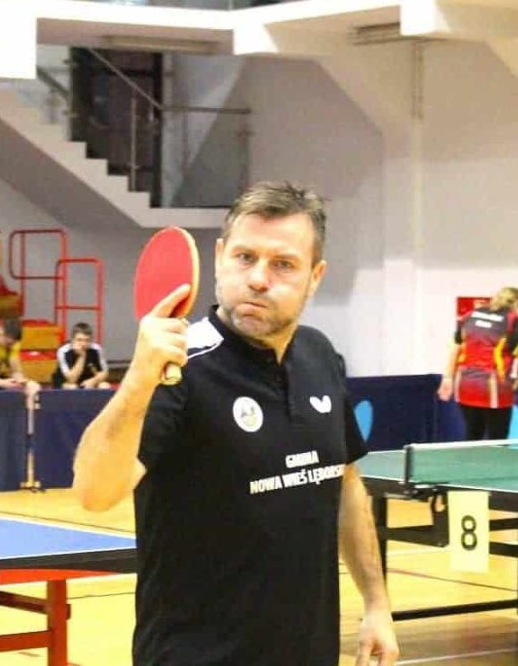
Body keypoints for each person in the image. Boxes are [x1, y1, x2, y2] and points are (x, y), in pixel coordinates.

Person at [73, 182, 399, 666]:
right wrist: (137, 381)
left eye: (283, 264)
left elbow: (345, 482)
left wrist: (376, 603)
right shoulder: (178, 368)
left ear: (315, 276)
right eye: (245, 258)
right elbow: (93, 493)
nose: (259, 279)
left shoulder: (320, 356)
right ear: (220, 257)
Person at [437, 286, 518, 440]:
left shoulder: (470, 315)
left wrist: (447, 378)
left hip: (464, 383)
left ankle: (471, 457)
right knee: (497, 438)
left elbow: (455, 348)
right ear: (517, 303)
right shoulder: (513, 321)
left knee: (472, 433)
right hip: (495, 385)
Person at [51, 322, 110, 389]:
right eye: (79, 340)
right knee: (73, 387)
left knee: (105, 386)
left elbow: (105, 373)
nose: (83, 344)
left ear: (91, 340)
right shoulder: (63, 351)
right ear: (72, 340)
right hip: (66, 381)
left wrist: (93, 381)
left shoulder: (97, 349)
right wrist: (82, 356)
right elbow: (71, 379)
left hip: (88, 379)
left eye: (87, 340)